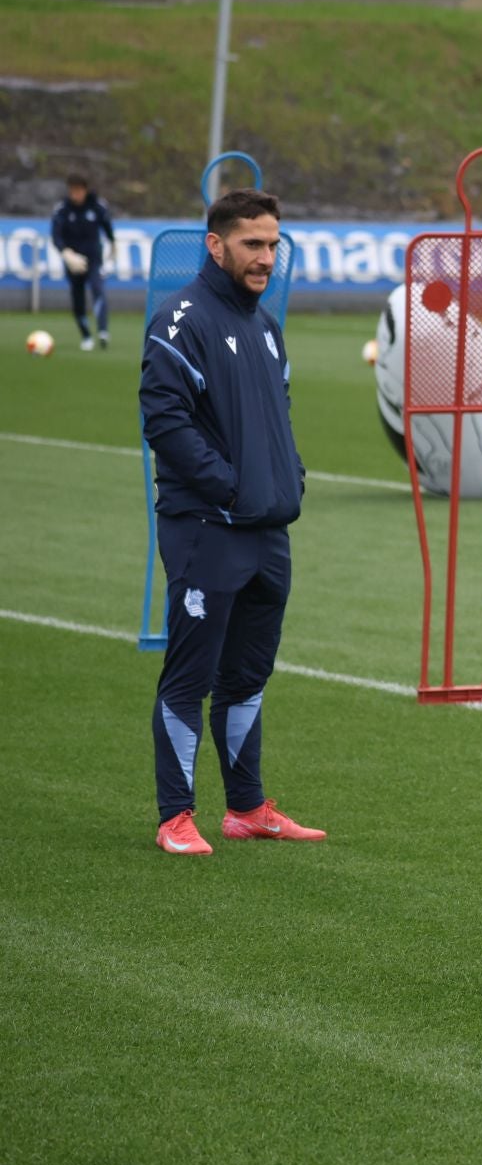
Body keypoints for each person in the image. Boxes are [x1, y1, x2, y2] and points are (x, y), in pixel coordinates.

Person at [140, 188, 324, 855]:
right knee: (189, 678)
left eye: (273, 244)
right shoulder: (179, 319)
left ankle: (246, 807)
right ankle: (175, 816)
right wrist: (229, 488)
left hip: (267, 533)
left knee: (248, 676)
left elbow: (280, 416)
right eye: (253, 243)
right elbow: (164, 420)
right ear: (215, 245)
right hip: (206, 529)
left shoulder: (265, 328)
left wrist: (287, 477)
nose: (266, 257)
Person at [51, 173, 114, 351]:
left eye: (78, 191)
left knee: (97, 289)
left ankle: (102, 330)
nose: (75, 195)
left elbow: (108, 228)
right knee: (77, 297)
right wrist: (66, 253)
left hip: (94, 259)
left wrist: (113, 245)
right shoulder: (62, 209)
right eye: (72, 191)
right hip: (73, 260)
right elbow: (56, 235)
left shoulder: (97, 206)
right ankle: (86, 335)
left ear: (85, 190)